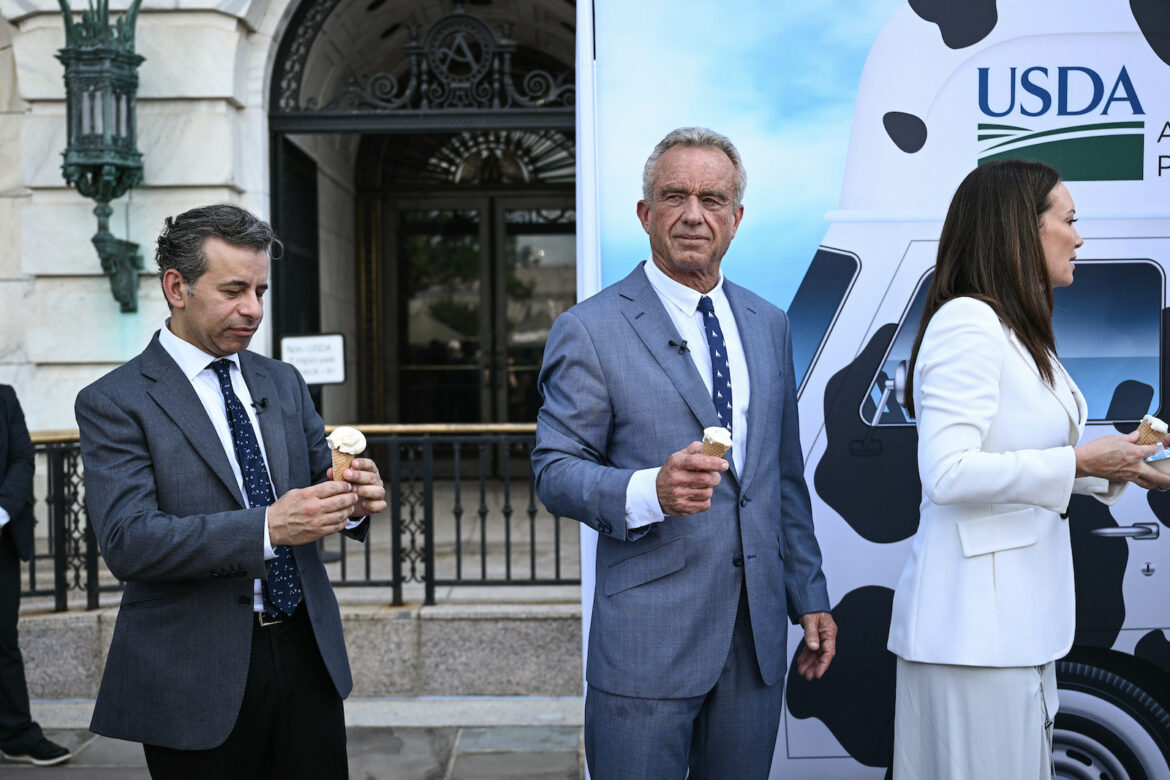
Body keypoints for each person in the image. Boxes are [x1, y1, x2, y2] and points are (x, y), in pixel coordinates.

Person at [532, 127, 837, 778]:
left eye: (712, 198)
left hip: (754, 642)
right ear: (645, 214)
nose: (694, 214)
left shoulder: (768, 322)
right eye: (674, 196)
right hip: (647, 644)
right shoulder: (589, 329)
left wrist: (808, 594)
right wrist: (651, 491)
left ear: (736, 217)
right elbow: (554, 470)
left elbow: (781, 478)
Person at [75, 204, 386, 779]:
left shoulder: (282, 380)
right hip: (193, 670)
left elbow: (322, 483)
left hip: (306, 653)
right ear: (177, 287)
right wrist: (268, 528)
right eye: (234, 290)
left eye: (261, 290)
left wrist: (352, 500)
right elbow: (128, 541)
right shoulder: (115, 400)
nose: (254, 310)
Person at [887, 159, 1170, 778]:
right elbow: (948, 472)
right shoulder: (968, 324)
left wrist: (1118, 468)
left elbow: (1022, 454)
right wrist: (1078, 459)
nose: (1080, 236)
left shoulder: (1016, 332)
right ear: (1020, 229)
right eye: (1069, 220)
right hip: (972, 636)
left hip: (1013, 630)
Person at [0, 386, 72, 767]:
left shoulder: (4, 396)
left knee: (3, 642)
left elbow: (22, 458)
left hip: (0, 539)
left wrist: (1, 511)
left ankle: (15, 734)